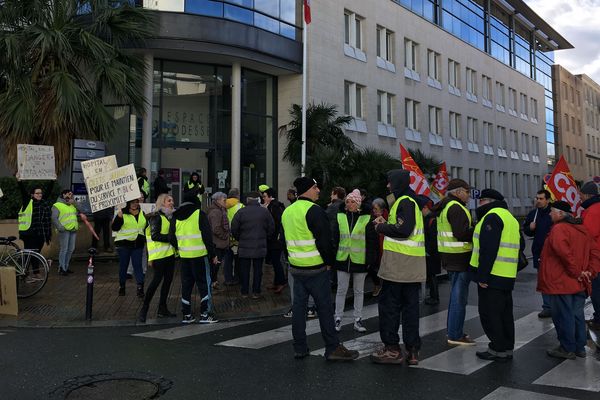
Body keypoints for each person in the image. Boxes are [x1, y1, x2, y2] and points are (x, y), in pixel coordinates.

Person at [281, 176, 359, 361]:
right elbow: (325, 241)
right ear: (308, 189)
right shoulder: (314, 211)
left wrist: (291, 261)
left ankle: (299, 347)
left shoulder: (288, 212)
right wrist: (329, 263)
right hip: (316, 269)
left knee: (299, 309)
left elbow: (284, 242)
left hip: (296, 268)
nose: (318, 191)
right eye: (315, 187)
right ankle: (332, 348)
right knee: (324, 308)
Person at [370, 169, 426, 365]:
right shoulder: (410, 202)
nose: (388, 186)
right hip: (411, 266)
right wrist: (387, 223)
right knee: (411, 310)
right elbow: (404, 227)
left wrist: (380, 227)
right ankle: (412, 350)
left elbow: (403, 230)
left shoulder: (404, 202)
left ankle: (392, 349)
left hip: (398, 266)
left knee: (389, 308)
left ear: (397, 184)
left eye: (389, 183)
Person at [538, 200, 600, 360]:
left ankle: (567, 348)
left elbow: (563, 252)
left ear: (560, 213)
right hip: (579, 282)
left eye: (552, 211)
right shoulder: (582, 229)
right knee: (577, 314)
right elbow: (595, 252)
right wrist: (590, 272)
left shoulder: (559, 229)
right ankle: (579, 347)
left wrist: (577, 272)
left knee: (562, 315)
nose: (550, 214)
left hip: (562, 282)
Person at [469, 189, 522, 362]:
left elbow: (488, 249)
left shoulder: (491, 217)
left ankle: (497, 348)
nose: (479, 203)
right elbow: (520, 244)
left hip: (492, 275)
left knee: (490, 313)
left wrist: (482, 276)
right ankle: (507, 347)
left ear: (488, 201)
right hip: (507, 274)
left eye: (481, 200)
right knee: (505, 314)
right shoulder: (510, 217)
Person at [434, 179, 475, 345]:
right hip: (460, 258)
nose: (469, 195)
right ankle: (456, 334)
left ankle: (453, 331)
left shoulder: (447, 206)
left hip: (450, 257)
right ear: (458, 192)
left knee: (455, 298)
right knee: (459, 299)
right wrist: (476, 229)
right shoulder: (456, 208)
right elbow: (461, 233)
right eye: (467, 192)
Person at [332, 189, 378, 333]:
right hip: (342, 259)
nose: (349, 204)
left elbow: (372, 242)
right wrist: (333, 257)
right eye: (347, 201)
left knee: (359, 291)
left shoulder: (367, 219)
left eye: (352, 202)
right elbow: (334, 238)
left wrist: (370, 260)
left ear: (358, 204)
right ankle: (338, 318)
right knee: (341, 290)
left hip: (360, 260)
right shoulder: (339, 216)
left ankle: (357, 319)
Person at [170, 191, 218, 323]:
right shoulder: (199, 214)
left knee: (186, 285)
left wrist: (181, 248)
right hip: (200, 256)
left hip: (184, 256)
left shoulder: (175, 216)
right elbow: (207, 237)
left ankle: (187, 315)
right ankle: (205, 314)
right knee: (204, 284)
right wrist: (213, 254)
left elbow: (171, 237)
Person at [139, 194, 176, 323]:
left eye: (172, 200)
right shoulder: (156, 217)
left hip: (169, 255)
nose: (172, 202)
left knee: (168, 282)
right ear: (162, 203)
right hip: (159, 257)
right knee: (156, 282)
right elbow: (155, 236)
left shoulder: (169, 217)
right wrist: (171, 238)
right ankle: (144, 309)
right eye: (169, 201)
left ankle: (162, 308)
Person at [231, 192, 274, 299]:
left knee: (244, 270)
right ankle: (256, 292)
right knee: (258, 271)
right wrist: (265, 237)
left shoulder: (241, 212)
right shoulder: (265, 212)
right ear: (258, 200)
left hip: (244, 246)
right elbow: (271, 228)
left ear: (247, 200)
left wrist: (239, 238)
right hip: (260, 246)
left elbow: (234, 228)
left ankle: (244, 291)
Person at [523, 189, 553, 318]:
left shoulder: (553, 214)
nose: (538, 201)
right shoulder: (533, 214)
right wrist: (530, 228)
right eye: (537, 198)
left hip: (552, 252)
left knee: (553, 279)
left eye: (541, 199)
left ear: (547, 200)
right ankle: (547, 307)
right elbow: (527, 231)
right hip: (539, 252)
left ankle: (556, 305)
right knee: (543, 280)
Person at [17, 177, 53, 274]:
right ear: (32, 194)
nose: (40, 195)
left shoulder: (43, 203)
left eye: (40, 193)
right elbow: (23, 192)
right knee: (30, 254)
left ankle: (31, 272)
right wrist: (19, 181)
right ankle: (26, 273)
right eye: (37, 193)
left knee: (36, 254)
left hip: (41, 234)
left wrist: (53, 180)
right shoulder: (28, 202)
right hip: (29, 234)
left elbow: (49, 192)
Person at [112, 199, 147, 297]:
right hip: (124, 245)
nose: (135, 204)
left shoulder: (142, 213)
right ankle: (122, 286)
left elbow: (145, 227)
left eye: (136, 202)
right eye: (132, 202)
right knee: (124, 266)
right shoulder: (122, 213)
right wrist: (119, 218)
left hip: (137, 245)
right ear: (128, 203)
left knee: (138, 266)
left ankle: (140, 288)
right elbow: (114, 228)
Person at [52, 190, 87, 276]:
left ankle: (66, 267)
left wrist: (74, 202)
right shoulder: (57, 205)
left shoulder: (72, 204)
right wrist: (60, 228)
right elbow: (54, 218)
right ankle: (61, 268)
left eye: (71, 194)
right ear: (63, 194)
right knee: (64, 249)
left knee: (71, 249)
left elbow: (82, 210)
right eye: (68, 194)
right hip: (64, 230)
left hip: (73, 229)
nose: (70, 196)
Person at [580, 181, 600, 332]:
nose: (579, 198)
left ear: (587, 195)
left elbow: (587, 235)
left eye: (581, 195)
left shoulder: (592, 211)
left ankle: (599, 319)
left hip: (596, 258)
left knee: (596, 290)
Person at [262, 188, 287, 294]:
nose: (263, 198)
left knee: (276, 261)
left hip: (275, 240)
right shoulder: (273, 205)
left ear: (270, 196)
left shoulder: (274, 206)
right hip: (274, 239)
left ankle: (281, 282)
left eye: (264, 196)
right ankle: (277, 282)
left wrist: (273, 234)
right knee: (275, 261)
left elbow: (276, 223)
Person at [207, 192, 230, 290]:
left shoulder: (220, 210)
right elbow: (215, 228)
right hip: (217, 243)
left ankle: (214, 281)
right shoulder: (216, 212)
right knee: (215, 265)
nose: (226, 201)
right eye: (224, 200)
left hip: (219, 243)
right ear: (217, 201)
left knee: (216, 265)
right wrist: (225, 236)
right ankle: (213, 282)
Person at [420, 195, 440, 306]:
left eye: (422, 209)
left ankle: (434, 297)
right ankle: (433, 295)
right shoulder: (429, 219)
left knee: (432, 276)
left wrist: (428, 251)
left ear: (426, 208)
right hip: (431, 252)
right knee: (431, 275)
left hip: (432, 253)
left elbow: (432, 239)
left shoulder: (432, 220)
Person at [224, 188, 244, 285]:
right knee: (238, 260)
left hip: (226, 237)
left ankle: (228, 279)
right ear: (237, 196)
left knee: (227, 259)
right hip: (237, 237)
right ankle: (237, 278)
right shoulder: (241, 206)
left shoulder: (223, 205)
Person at [370, 198, 388, 297]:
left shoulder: (388, 217)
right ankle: (378, 285)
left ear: (382, 209)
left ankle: (383, 287)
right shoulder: (372, 218)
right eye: (373, 209)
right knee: (373, 268)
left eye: (376, 209)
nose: (374, 211)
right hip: (375, 248)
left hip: (385, 248)